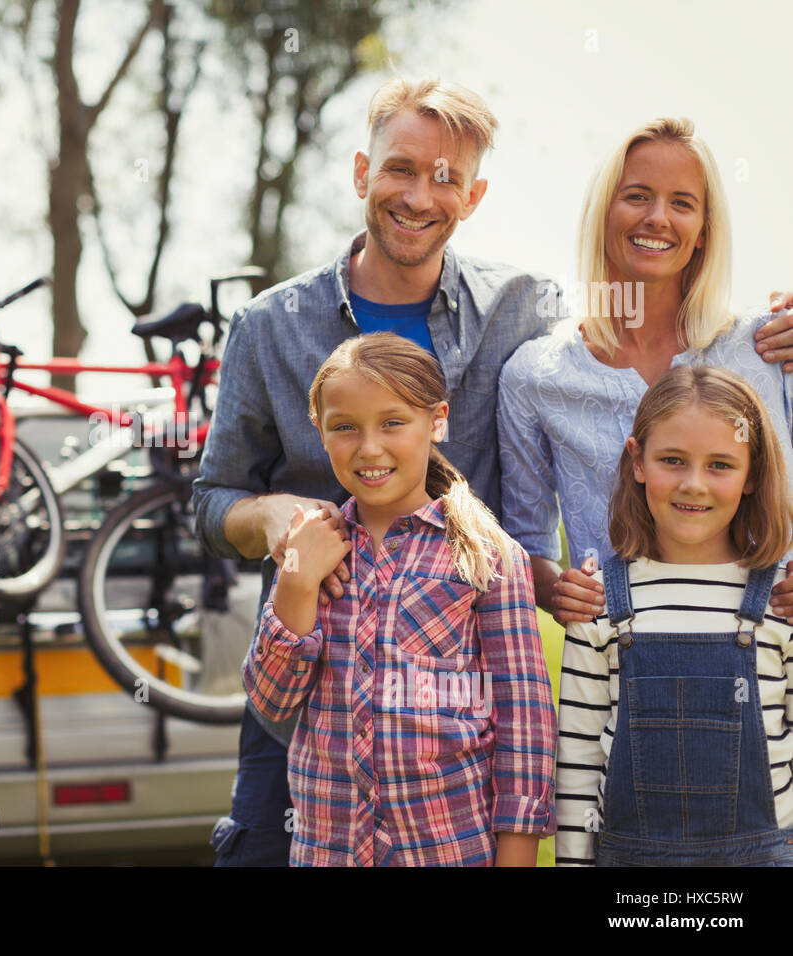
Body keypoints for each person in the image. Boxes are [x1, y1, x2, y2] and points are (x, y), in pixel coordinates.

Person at [195, 77, 793, 867]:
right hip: (315, 679)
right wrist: (273, 518)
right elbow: (214, 499)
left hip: (460, 719)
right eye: (400, 169)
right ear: (359, 173)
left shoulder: (520, 309)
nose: (419, 196)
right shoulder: (271, 327)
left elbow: (646, 334)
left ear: (473, 196)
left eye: (445, 178)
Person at [242, 332, 556, 866]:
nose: (369, 448)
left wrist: (518, 854)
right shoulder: (311, 548)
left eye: (392, 422)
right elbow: (272, 702)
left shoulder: (487, 556)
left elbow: (524, 717)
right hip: (329, 851)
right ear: (319, 432)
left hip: (449, 849)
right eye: (345, 427)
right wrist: (297, 582)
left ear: (437, 420)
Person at [499, 118, 793, 634]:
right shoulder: (534, 376)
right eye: (637, 196)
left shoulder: (766, 345)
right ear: (603, 212)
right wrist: (557, 591)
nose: (658, 218)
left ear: (704, 230)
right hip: (618, 664)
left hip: (773, 658)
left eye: (682, 203)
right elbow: (527, 543)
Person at [555, 366, 793, 866]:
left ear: (752, 474)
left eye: (721, 465)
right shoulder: (597, 606)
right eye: (672, 460)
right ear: (637, 460)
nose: (694, 484)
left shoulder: (781, 603)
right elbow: (577, 768)